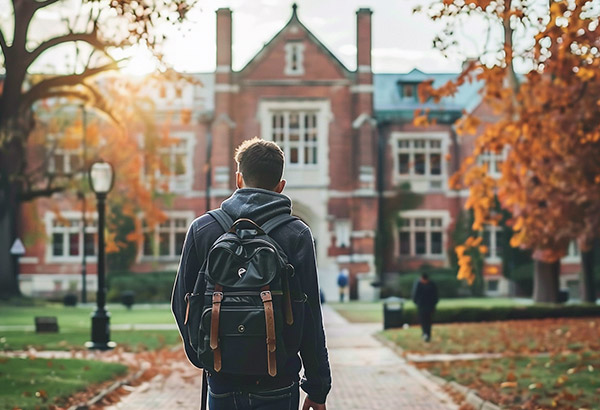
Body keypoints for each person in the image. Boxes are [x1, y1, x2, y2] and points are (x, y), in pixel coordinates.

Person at [172, 137, 331, 410]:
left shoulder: (203, 229)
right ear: (280, 186)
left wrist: (205, 357)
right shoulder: (296, 234)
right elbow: (310, 318)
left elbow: (181, 304)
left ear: (238, 179)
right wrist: (318, 387)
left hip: (222, 380)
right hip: (278, 380)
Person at [411, 273, 439, 342]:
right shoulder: (419, 284)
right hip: (422, 306)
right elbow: (415, 296)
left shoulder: (431, 284)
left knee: (428, 321)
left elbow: (435, 296)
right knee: (423, 321)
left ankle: (427, 334)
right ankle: (425, 333)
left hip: (429, 306)